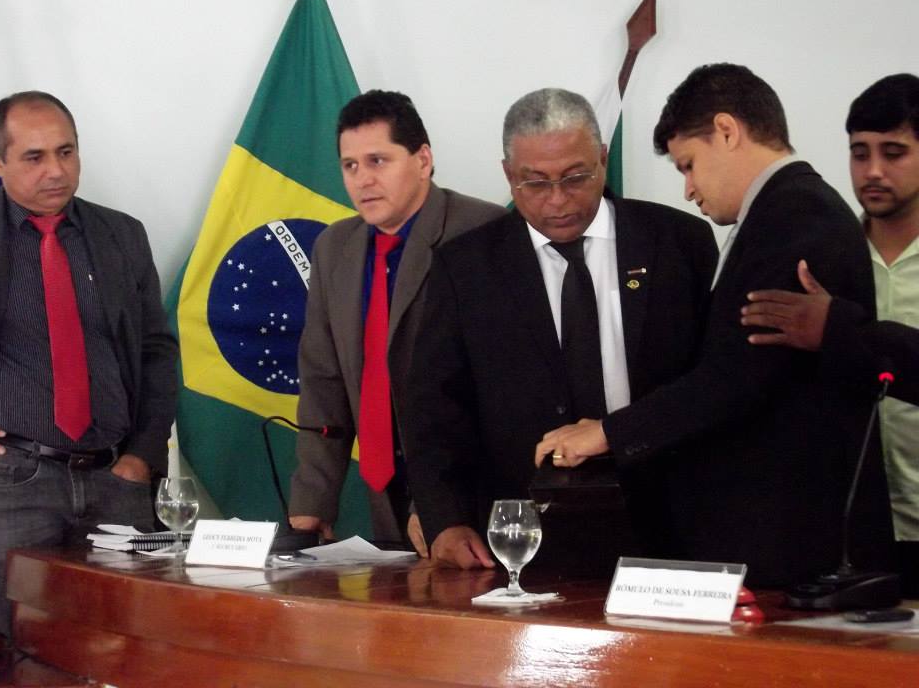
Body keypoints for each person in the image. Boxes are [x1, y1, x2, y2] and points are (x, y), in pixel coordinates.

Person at [535, 64, 896, 587]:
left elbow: (738, 377)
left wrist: (609, 432)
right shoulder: (780, 213)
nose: (688, 189)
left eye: (689, 165)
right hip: (772, 529)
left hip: (791, 536)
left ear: (727, 131)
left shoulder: (797, 218)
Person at [403, 87, 717, 573]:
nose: (558, 200)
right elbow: (433, 406)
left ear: (603, 160)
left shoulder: (678, 242)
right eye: (535, 182)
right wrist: (444, 519)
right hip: (521, 531)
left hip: (670, 519)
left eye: (575, 177)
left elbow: (712, 383)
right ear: (508, 175)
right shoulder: (466, 266)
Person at [0, 91, 178, 636]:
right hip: (10, 481)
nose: (56, 171)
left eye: (66, 151)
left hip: (116, 479)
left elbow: (156, 350)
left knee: (125, 647)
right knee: (17, 650)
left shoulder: (121, 235)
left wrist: (142, 456)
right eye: (34, 157)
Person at [288, 90, 503, 553]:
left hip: (468, 496)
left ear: (423, 160)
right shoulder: (334, 247)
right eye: (350, 165)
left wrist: (442, 506)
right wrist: (313, 502)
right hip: (382, 487)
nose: (362, 179)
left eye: (378, 161)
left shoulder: (482, 230)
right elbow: (324, 381)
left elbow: (495, 390)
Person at [742, 73, 919, 594]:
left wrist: (839, 329)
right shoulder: (828, 251)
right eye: (859, 153)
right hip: (851, 524)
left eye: (894, 153)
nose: (873, 171)